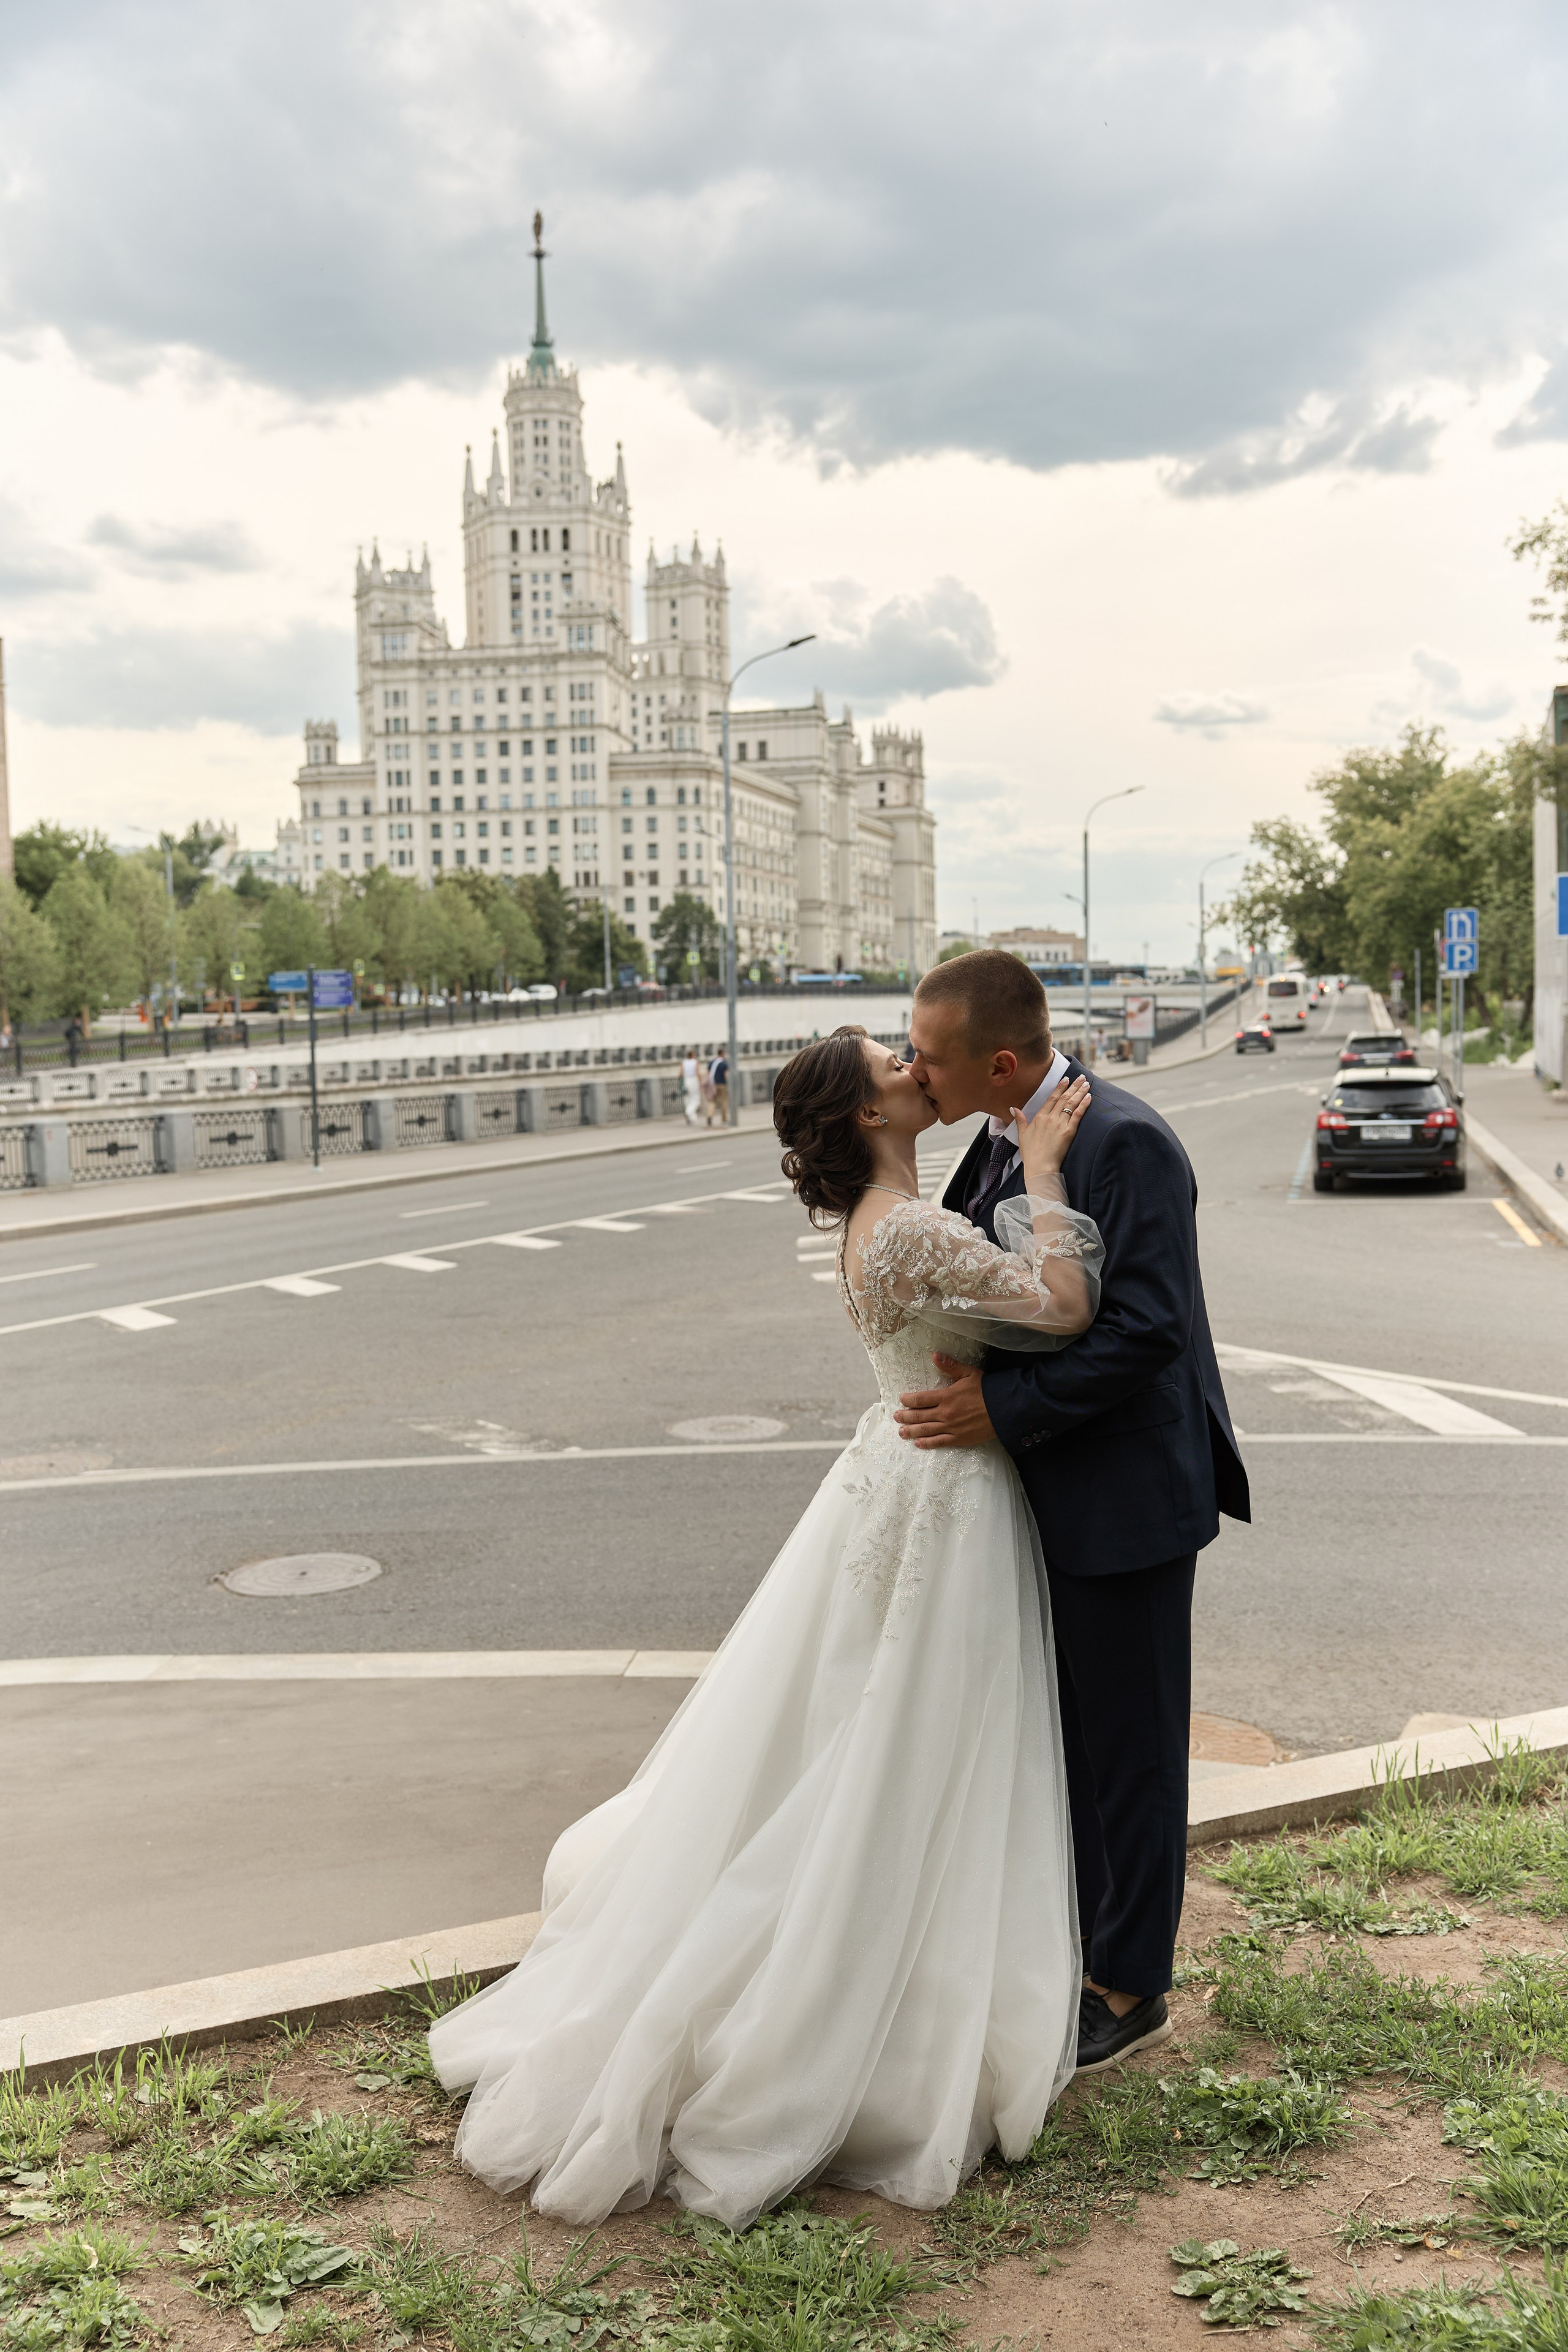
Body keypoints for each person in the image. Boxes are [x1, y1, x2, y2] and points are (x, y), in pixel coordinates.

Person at [429, 1025, 1103, 2227]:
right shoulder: (900, 1229)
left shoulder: (890, 1218)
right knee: (913, 1754)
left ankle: (892, 1982)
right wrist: (1045, 1172)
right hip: (941, 1499)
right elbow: (1059, 1305)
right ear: (860, 1116)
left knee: (870, 1747)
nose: (910, 1065)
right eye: (887, 1064)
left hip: (897, 1483)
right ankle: (857, 2022)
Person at [897, 951, 1250, 2074]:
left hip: (1127, 1495)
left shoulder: (1124, 1140)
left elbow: (1146, 1329)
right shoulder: (996, 1137)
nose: (915, 1070)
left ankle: (1131, 1984)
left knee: (1132, 1750)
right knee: (1071, 1741)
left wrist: (1003, 1410)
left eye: (929, 1056)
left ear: (1000, 1063)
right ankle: (1083, 1944)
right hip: (1044, 1493)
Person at [680, 1052, 702, 1126]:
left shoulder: (684, 1062)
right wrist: (700, 1081)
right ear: (693, 1055)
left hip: (686, 1081)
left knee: (688, 1100)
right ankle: (688, 1112)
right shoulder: (695, 1062)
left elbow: (680, 1074)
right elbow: (698, 1073)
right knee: (696, 1100)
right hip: (694, 1081)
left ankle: (693, 1119)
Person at [707, 1050, 729, 1125]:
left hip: (714, 1085)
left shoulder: (712, 1062)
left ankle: (710, 1115)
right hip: (722, 1085)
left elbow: (708, 1073)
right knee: (724, 1102)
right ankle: (724, 1119)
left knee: (713, 1101)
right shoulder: (724, 1064)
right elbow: (726, 1075)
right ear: (722, 1054)